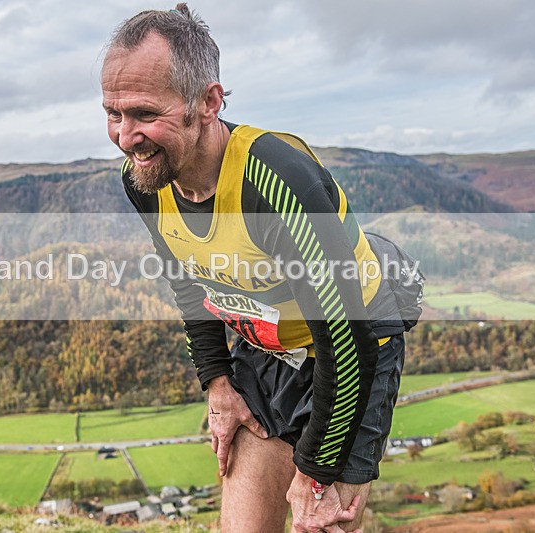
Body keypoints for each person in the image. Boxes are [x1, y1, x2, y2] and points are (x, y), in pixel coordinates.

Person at [101, 4, 417, 531]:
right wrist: (217, 382)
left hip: (348, 357)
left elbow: (347, 339)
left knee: (317, 524)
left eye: (145, 114)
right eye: (114, 113)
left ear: (208, 101)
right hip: (265, 349)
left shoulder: (275, 182)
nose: (126, 136)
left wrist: (315, 471)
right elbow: (187, 282)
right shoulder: (146, 178)